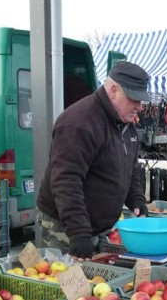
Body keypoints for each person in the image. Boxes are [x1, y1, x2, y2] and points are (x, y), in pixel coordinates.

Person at [37, 61, 149, 260]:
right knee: (67, 286)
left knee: (93, 286)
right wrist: (79, 232)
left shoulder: (125, 124)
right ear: (113, 90)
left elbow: (130, 166)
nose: (139, 107)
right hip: (64, 226)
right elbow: (66, 181)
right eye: (134, 99)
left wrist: (136, 197)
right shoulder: (79, 123)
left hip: (97, 228)